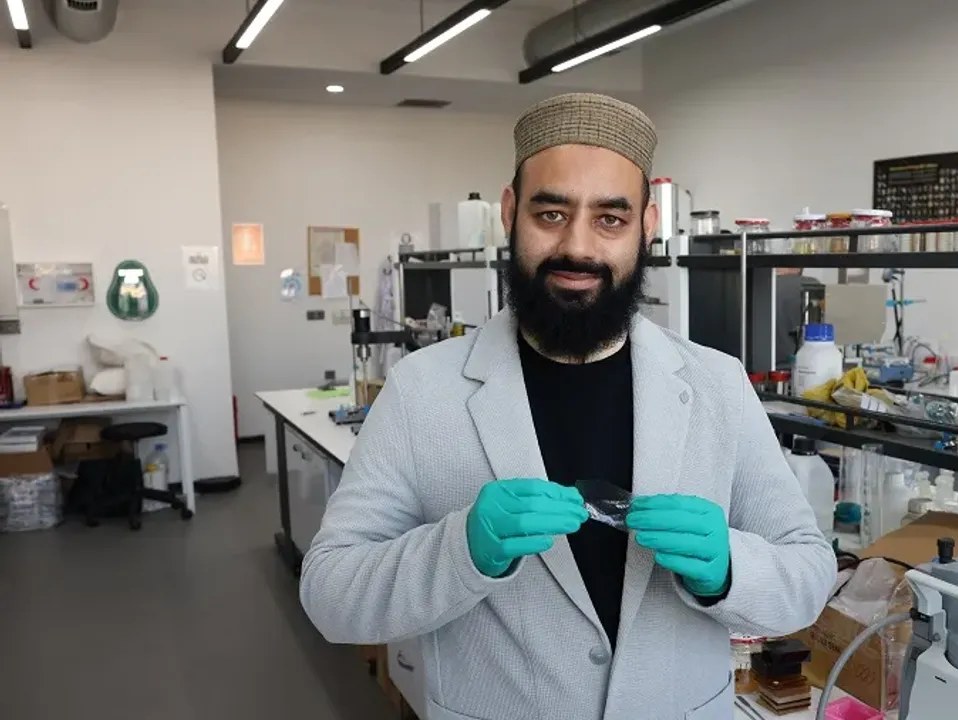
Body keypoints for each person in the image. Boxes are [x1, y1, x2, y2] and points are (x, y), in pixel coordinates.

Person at [300, 93, 836, 720]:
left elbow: (808, 575)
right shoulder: (423, 390)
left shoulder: (717, 384)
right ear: (510, 213)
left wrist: (729, 571)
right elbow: (331, 594)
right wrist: (459, 551)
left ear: (647, 226)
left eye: (610, 218)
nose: (577, 247)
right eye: (551, 213)